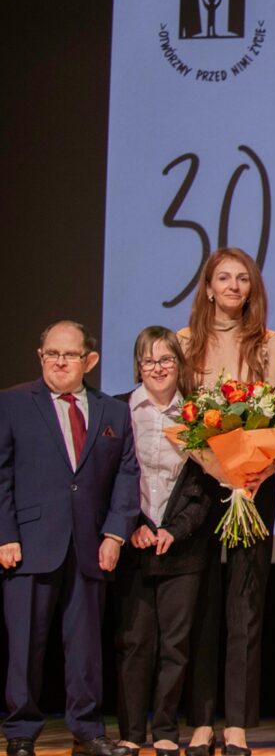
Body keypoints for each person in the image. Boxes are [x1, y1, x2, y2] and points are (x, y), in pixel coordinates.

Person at [1, 320, 140, 756]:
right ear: (40, 356)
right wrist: (5, 535)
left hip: (89, 544)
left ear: (90, 360)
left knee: (85, 647)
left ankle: (88, 729)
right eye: (51, 354)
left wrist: (115, 534)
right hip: (28, 543)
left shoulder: (112, 412)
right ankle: (21, 732)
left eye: (69, 355)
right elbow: (1, 474)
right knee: (25, 645)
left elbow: (127, 474)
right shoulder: (12, 403)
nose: (59, 362)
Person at [177, 246, 275, 756]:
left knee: (245, 603)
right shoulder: (183, 343)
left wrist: (256, 472)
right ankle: (201, 722)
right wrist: (221, 470)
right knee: (200, 601)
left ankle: (237, 723)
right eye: (224, 278)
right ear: (207, 287)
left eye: (243, 279)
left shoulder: (269, 343)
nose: (234, 287)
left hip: (255, 484)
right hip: (202, 482)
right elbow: (180, 421)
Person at [115, 327, 214, 756]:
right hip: (133, 544)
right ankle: (131, 732)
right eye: (149, 360)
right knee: (135, 644)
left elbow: (206, 484)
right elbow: (111, 478)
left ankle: (166, 729)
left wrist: (177, 529)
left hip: (182, 546)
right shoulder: (119, 410)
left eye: (167, 360)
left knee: (176, 646)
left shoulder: (197, 415)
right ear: (138, 366)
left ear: (180, 364)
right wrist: (132, 525)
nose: (158, 368)